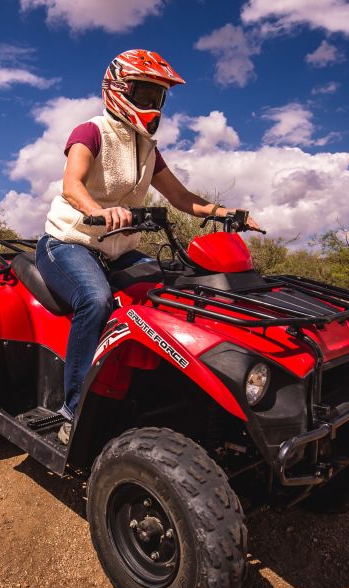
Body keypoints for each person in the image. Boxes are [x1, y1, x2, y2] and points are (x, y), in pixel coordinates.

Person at [35, 49, 260, 444]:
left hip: (116, 250)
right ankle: (72, 410)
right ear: (118, 90)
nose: (151, 106)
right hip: (69, 242)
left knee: (175, 291)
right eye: (143, 94)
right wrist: (99, 212)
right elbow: (72, 185)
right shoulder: (90, 132)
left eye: (157, 98)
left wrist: (227, 212)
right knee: (95, 300)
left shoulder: (146, 148)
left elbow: (180, 196)